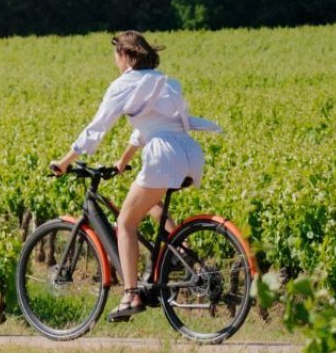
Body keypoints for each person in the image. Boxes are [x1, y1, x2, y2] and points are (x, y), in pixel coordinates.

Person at [51, 30, 221, 320]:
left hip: (163, 153)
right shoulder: (162, 81)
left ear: (127, 55)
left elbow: (98, 127)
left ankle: (130, 295)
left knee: (125, 222)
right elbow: (148, 125)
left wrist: (66, 161)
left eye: (116, 55)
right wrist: (122, 161)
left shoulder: (123, 85)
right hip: (189, 152)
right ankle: (180, 246)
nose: (115, 61)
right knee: (149, 201)